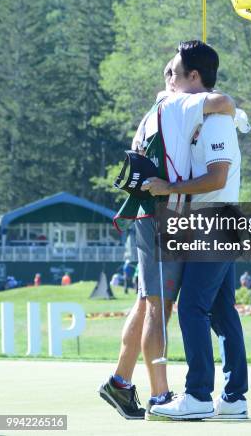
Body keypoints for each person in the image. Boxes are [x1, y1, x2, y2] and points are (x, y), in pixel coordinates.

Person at [98, 41, 236, 420]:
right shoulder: (177, 103)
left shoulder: (154, 111)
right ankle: (159, 394)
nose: (168, 77)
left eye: (171, 71)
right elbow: (223, 102)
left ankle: (121, 383)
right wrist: (219, 106)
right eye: (171, 73)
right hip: (162, 217)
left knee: (147, 302)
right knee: (160, 307)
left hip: (151, 217)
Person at [144, 45, 249, 420]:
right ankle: (234, 397)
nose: (167, 80)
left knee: (192, 307)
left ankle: (199, 396)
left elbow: (217, 177)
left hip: (216, 222)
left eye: (173, 72)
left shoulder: (215, 118)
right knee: (221, 310)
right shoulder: (193, 115)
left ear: (194, 78)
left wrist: (166, 188)